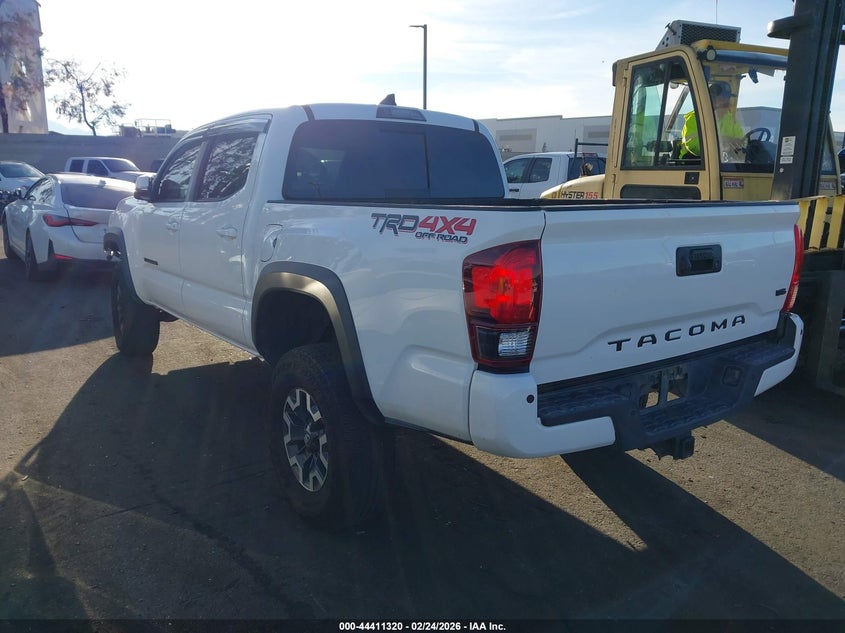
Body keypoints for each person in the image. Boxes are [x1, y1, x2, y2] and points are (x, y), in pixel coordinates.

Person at [681, 82, 744, 159]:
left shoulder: (730, 119)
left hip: (723, 162)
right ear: (711, 99)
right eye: (722, 99)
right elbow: (693, 146)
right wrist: (721, 141)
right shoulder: (695, 118)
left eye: (728, 98)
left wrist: (736, 144)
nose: (727, 102)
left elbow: (742, 140)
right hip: (695, 163)